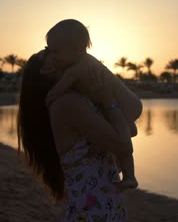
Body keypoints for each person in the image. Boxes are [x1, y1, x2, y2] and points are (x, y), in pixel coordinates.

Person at [17, 19, 142, 221]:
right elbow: (122, 143)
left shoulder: (73, 99)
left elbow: (130, 129)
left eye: (54, 50)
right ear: (44, 71)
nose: (53, 54)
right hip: (93, 212)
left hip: (100, 208)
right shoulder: (67, 103)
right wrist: (109, 100)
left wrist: (111, 110)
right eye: (47, 53)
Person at [41, 38, 140, 193]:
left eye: (55, 52)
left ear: (77, 50)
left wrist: (49, 99)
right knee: (124, 137)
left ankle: (130, 176)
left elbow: (62, 86)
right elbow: (131, 132)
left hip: (126, 105)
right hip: (128, 104)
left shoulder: (76, 70)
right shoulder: (87, 67)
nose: (54, 57)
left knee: (124, 141)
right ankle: (130, 177)